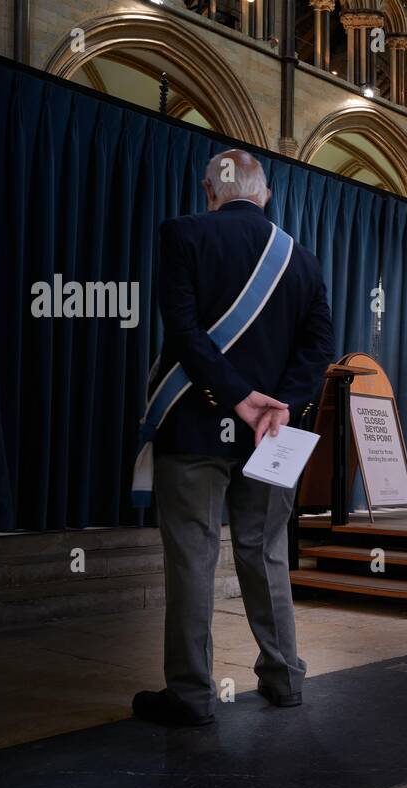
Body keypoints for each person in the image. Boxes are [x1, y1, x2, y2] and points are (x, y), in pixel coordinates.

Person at [132, 149, 335, 727]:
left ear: (209, 191)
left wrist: (234, 396)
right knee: (266, 553)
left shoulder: (182, 236)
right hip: (272, 435)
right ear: (263, 194)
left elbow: (185, 332)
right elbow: (318, 349)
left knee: (195, 558)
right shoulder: (303, 260)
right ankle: (283, 677)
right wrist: (279, 407)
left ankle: (191, 695)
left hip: (196, 424)